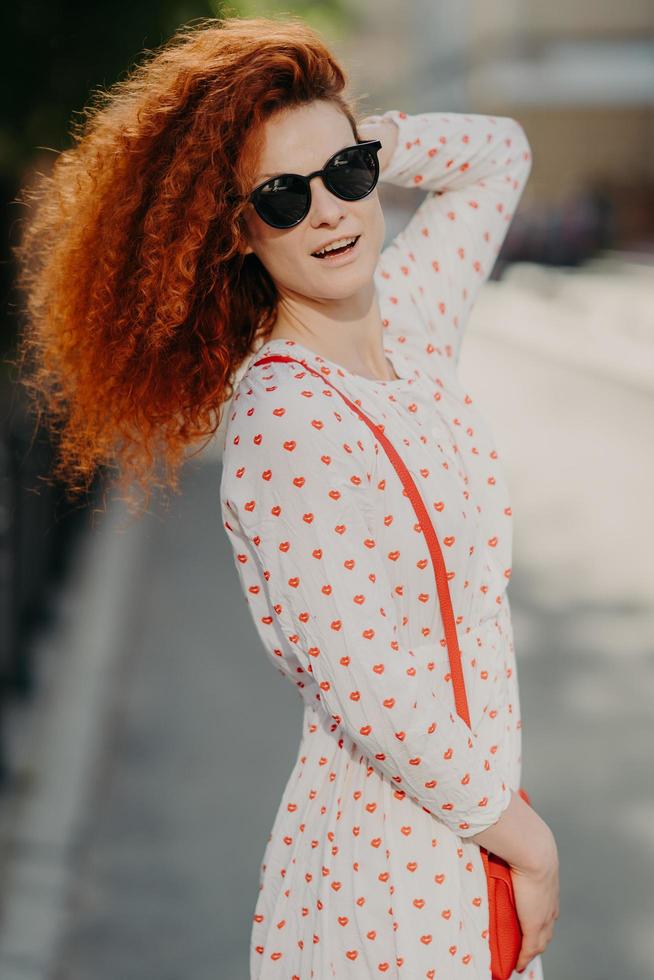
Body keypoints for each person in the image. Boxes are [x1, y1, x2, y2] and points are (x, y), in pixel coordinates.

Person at [13, 15, 559, 979]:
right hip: (389, 883)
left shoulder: (412, 322)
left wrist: (369, 135)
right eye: (281, 195)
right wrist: (527, 838)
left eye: (346, 176)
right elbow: (367, 681)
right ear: (238, 227)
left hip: (467, 848)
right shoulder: (285, 418)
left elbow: (499, 155)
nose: (330, 212)